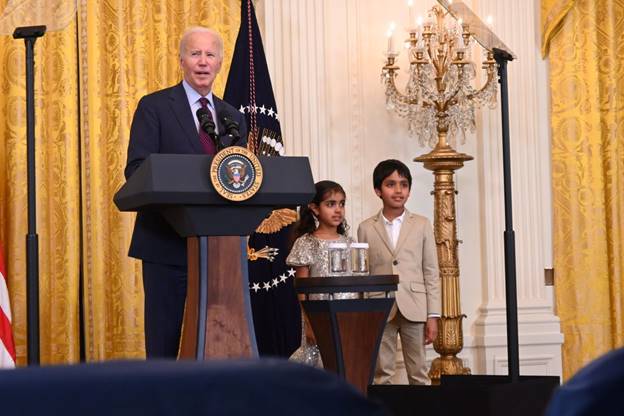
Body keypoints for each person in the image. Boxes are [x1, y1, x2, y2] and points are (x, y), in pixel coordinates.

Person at [124, 26, 247, 358]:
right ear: (181, 60)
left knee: (217, 344)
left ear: (220, 62)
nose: (203, 62)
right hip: (166, 245)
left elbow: (241, 182)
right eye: (195, 54)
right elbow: (136, 171)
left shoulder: (233, 118)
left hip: (219, 252)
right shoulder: (154, 107)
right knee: (163, 347)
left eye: (210, 55)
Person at [357, 159, 441, 385]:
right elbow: (363, 274)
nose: (398, 190)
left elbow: (431, 271)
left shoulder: (422, 224)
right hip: (380, 307)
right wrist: (364, 313)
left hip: (415, 306)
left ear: (409, 190)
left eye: (403, 185)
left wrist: (433, 315)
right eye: (391, 184)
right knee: (381, 372)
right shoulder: (366, 227)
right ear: (378, 190)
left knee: (419, 372)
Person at [286, 181, 357, 366]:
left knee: (346, 363)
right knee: (321, 364)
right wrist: (309, 323)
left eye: (342, 203)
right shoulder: (306, 242)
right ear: (315, 208)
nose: (338, 210)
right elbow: (302, 290)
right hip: (319, 317)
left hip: (347, 317)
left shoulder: (350, 243)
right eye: (330, 204)